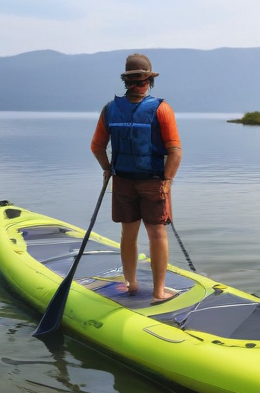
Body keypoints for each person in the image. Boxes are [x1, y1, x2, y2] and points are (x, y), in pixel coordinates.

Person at [91, 54, 182, 305]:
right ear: (149, 81)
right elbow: (175, 150)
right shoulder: (161, 109)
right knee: (157, 235)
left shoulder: (110, 109)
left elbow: (96, 147)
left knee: (127, 235)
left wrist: (107, 168)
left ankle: (131, 284)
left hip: (122, 181)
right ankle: (159, 292)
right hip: (154, 182)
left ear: (127, 81)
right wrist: (167, 181)